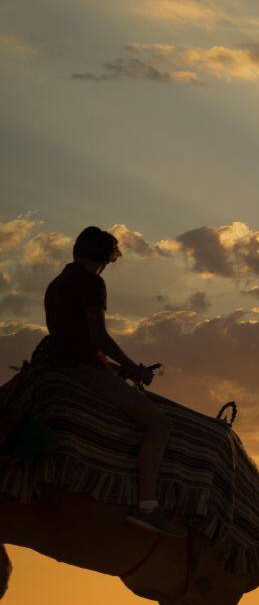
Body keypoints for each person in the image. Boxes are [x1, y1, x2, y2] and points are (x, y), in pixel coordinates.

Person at [43, 226, 182, 537]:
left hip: (60, 365)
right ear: (104, 258)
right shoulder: (92, 283)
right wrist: (133, 369)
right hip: (84, 370)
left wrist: (116, 367)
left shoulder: (56, 283)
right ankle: (147, 506)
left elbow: (75, 338)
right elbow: (97, 336)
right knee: (160, 425)